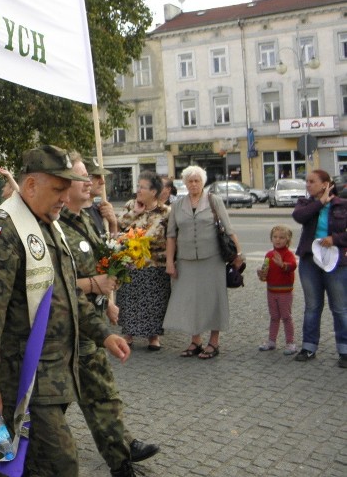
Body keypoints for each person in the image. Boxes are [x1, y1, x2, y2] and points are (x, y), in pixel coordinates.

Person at [0, 145, 130, 477]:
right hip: (22, 379)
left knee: (25, 464)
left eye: (68, 189)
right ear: (32, 185)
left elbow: (65, 293)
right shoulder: (2, 233)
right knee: (60, 464)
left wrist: (103, 333)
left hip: (54, 375)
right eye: (58, 189)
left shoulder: (48, 224)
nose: (65, 199)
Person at [59, 154, 159, 476]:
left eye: (90, 176)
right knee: (61, 401)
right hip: (65, 327)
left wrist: (114, 226)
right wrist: (93, 285)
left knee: (101, 394)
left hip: (91, 322)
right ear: (64, 183)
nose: (90, 183)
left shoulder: (86, 218)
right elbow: (49, 283)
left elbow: (104, 261)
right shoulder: (56, 226)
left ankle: (122, 455)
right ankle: (10, 441)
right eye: (82, 177)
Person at [163, 165, 244, 360]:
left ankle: (214, 342)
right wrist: (169, 262)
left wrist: (238, 254)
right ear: (185, 183)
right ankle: (195, 340)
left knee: (213, 299)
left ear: (203, 182)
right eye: (190, 181)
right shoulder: (177, 205)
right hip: (186, 260)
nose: (193, 184)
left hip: (212, 259)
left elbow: (228, 228)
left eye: (197, 180)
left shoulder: (213, 201)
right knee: (191, 301)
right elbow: (171, 236)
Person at [291, 170, 347, 367]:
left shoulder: (342, 204)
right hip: (310, 260)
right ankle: (309, 347)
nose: (308, 185)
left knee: (340, 307)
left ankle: (344, 350)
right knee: (312, 306)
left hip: (337, 262)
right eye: (307, 181)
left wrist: (336, 239)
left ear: (325, 184)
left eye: (312, 181)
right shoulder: (306, 204)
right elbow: (299, 216)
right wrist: (320, 202)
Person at [116, 171, 171, 351]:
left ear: (154, 192)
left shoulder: (165, 212)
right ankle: (128, 334)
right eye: (138, 186)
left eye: (142, 187)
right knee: (130, 298)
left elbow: (171, 237)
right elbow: (119, 225)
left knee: (154, 300)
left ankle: (153, 337)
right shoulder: (131, 205)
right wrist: (134, 213)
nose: (138, 190)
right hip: (131, 262)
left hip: (155, 263)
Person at [257, 225, 298, 355]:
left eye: (281, 237)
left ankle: (290, 343)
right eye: (275, 237)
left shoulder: (288, 254)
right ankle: (272, 341)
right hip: (271, 291)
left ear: (287, 240)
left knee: (286, 317)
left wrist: (282, 264)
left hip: (285, 292)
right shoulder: (269, 255)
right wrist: (262, 274)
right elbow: (266, 273)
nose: (278, 240)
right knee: (274, 317)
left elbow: (292, 266)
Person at [86, 158, 118, 237]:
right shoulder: (73, 213)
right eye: (96, 177)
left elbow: (110, 244)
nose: (102, 182)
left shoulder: (99, 210)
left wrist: (113, 224)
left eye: (102, 177)